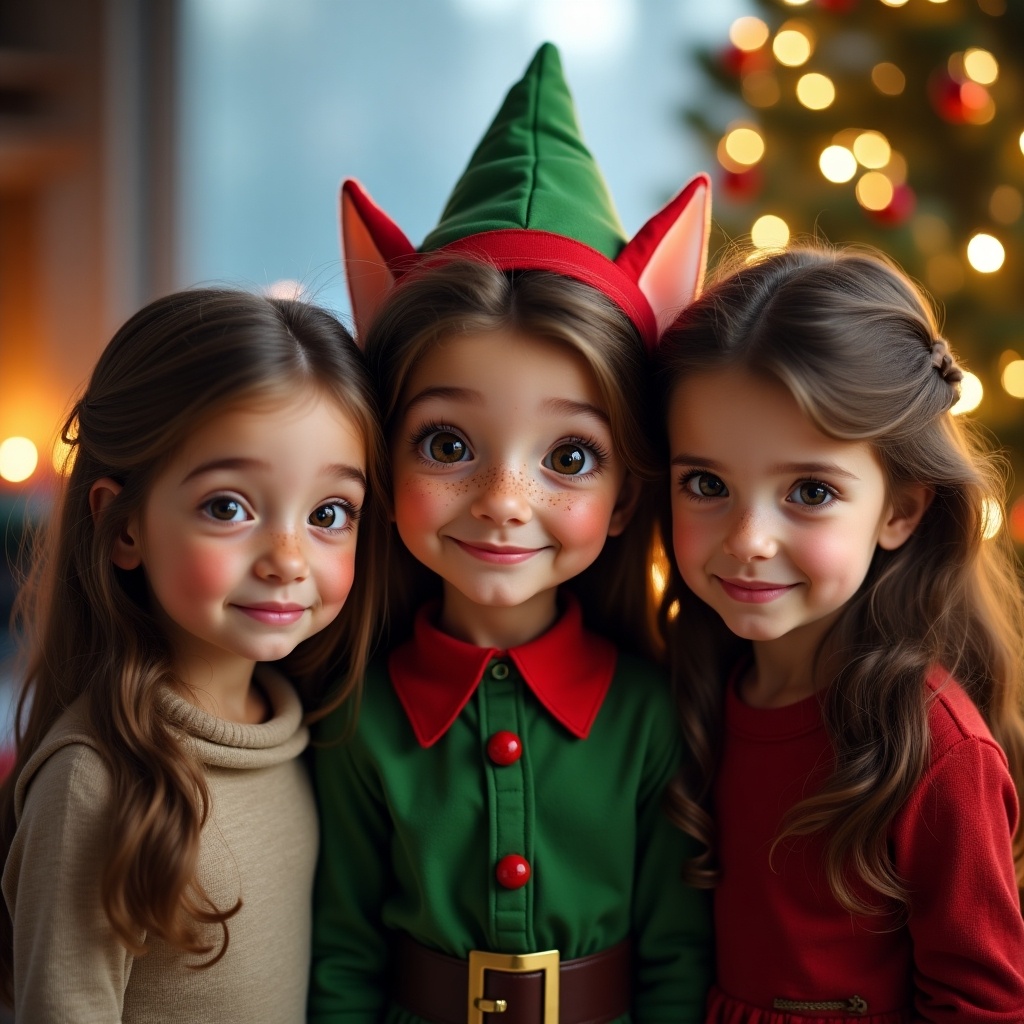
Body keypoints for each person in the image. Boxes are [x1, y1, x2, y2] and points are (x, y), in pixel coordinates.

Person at [310, 44, 713, 1023]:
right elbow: (340, 959)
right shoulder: (356, 718)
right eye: (448, 442)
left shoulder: (651, 716)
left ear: (626, 494)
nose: (501, 499)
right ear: (381, 459)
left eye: (568, 457)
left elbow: (676, 962)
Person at [657, 244, 1024, 1023]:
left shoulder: (934, 747)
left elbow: (983, 1005)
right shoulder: (692, 681)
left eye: (810, 491)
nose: (749, 538)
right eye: (707, 484)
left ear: (900, 510)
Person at [0, 288, 386, 1023]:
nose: (287, 558)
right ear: (123, 528)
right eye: (228, 507)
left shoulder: (311, 736)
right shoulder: (95, 785)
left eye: (329, 514)